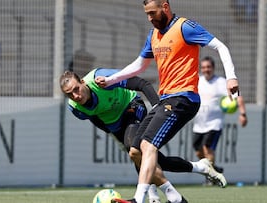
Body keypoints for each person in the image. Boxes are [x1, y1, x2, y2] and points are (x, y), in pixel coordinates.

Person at [95, 0, 240, 202]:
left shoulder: (185, 27)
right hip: (165, 99)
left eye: (153, 13)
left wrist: (231, 76)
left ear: (165, 6)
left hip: (184, 98)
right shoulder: (153, 36)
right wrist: (111, 80)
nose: (150, 18)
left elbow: (220, 46)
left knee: (148, 146)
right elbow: (139, 65)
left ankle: (140, 198)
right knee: (135, 150)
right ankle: (176, 197)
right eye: (147, 14)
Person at [60, 68, 219, 203]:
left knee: (135, 149)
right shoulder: (76, 109)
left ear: (82, 82)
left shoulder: (99, 78)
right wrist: (111, 133)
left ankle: (156, 196)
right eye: (70, 94)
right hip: (115, 124)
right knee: (153, 159)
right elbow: (95, 118)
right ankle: (199, 167)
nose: (76, 96)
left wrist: (158, 107)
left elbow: (141, 83)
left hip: (132, 107)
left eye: (76, 89)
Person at [192, 56, 248, 185]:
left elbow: (237, 96)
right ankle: (214, 170)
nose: (206, 70)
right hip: (198, 124)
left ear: (213, 68)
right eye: (204, 67)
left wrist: (243, 114)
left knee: (207, 148)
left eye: (209, 67)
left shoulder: (221, 82)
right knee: (198, 151)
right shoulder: (197, 81)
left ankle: (210, 179)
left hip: (214, 123)